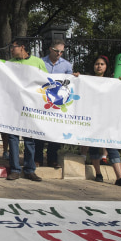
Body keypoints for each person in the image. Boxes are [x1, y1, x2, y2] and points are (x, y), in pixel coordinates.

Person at [82, 55, 121, 188]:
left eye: (102, 64)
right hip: (93, 118)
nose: (99, 66)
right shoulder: (87, 80)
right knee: (94, 145)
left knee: (112, 146)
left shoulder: (112, 82)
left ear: (106, 67)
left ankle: (120, 177)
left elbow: (119, 98)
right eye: (97, 64)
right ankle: (98, 174)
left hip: (108, 119)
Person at [5, 39, 46, 181]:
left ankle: (29, 169)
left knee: (30, 139)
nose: (11, 50)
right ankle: (15, 169)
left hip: (31, 106)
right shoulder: (9, 64)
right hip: (14, 106)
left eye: (13, 47)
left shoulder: (37, 62)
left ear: (22, 47)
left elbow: (46, 81)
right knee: (13, 138)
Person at [35, 39, 73, 168]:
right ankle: (37, 158)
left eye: (62, 52)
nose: (59, 54)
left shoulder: (67, 65)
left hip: (58, 103)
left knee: (55, 132)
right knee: (39, 130)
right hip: (42, 101)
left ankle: (52, 159)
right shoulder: (40, 62)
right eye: (57, 51)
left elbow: (70, 83)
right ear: (51, 49)